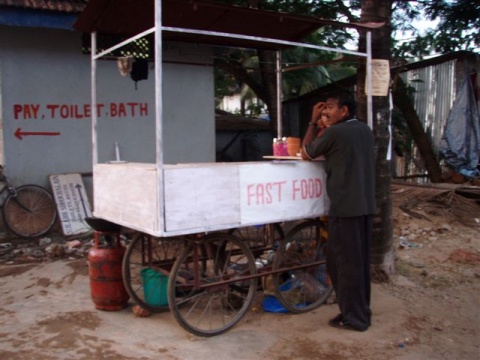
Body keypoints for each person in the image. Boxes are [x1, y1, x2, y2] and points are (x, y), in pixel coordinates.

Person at [301, 90, 376, 331]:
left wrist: (313, 121)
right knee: (358, 262)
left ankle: (355, 319)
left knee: (345, 265)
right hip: (364, 206)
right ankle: (359, 311)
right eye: (324, 109)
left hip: (345, 208)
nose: (325, 111)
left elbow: (307, 152)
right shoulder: (364, 130)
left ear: (344, 110)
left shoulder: (336, 132)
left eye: (330, 107)